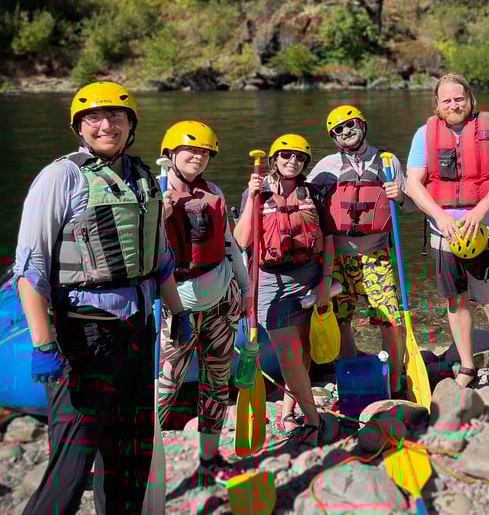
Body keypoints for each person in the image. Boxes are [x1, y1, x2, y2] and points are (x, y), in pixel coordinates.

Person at [15, 81, 191, 513]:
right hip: (85, 336)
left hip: (137, 332)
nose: (106, 125)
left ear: (131, 125)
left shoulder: (143, 177)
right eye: (93, 117)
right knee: (71, 465)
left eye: (116, 116)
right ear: (79, 127)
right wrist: (43, 344)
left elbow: (160, 259)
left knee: (131, 456)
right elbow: (30, 269)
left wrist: (178, 311)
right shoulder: (61, 177)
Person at [404, 73, 489, 406]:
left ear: (470, 99)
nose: (454, 105)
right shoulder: (424, 135)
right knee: (455, 302)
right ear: (437, 104)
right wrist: (440, 216)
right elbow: (414, 183)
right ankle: (468, 366)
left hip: (485, 232)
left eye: (459, 99)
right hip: (443, 234)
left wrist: (480, 210)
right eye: (446, 100)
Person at [155, 120, 251, 483]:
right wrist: (157, 217)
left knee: (216, 385)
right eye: (191, 150)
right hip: (176, 306)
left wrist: (245, 288)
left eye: (204, 152)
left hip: (220, 303)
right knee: (166, 386)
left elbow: (229, 245)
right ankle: (140, 456)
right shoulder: (153, 194)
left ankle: (210, 459)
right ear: (171, 153)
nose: (198, 157)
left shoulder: (214, 192)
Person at [233, 133, 337, 446]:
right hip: (269, 283)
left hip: (308, 278)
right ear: (274, 160)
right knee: (289, 354)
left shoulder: (313, 193)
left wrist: (326, 280)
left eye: (299, 157)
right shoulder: (256, 192)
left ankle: (288, 411)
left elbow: (329, 240)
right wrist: (253, 198)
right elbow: (241, 239)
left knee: (302, 352)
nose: (293, 161)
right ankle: (314, 420)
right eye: (286, 155)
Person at [307, 105, 414, 394]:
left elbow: (411, 206)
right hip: (339, 259)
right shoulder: (326, 167)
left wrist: (400, 196)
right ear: (333, 137)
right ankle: (351, 375)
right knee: (342, 319)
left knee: (390, 318)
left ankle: (395, 379)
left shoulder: (387, 161)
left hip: (376, 256)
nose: (346, 131)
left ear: (363, 124)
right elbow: (303, 201)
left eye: (351, 124)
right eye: (338, 130)